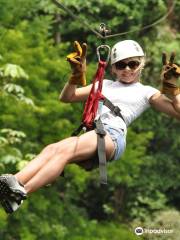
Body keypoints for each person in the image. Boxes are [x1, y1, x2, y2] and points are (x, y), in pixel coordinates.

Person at [0, 40, 180, 214]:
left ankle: (22, 192)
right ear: (113, 68)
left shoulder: (147, 92)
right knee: (52, 149)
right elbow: (67, 97)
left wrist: (173, 89)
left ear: (141, 64)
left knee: (65, 151)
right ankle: (14, 182)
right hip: (95, 132)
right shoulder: (104, 85)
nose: (126, 69)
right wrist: (75, 76)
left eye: (132, 64)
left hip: (113, 136)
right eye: (120, 65)